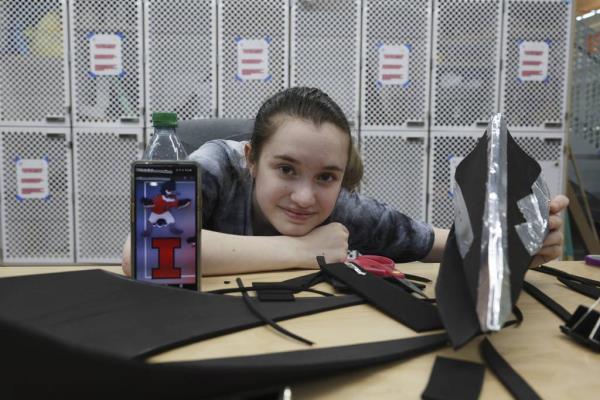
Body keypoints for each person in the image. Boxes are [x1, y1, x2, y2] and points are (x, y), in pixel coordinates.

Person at [122, 87, 568, 276]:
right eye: (286, 169)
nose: (305, 196)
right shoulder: (215, 163)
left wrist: (514, 248)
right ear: (252, 159)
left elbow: (438, 241)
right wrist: (303, 251)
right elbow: (141, 252)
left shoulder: (341, 210)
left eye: (327, 177)